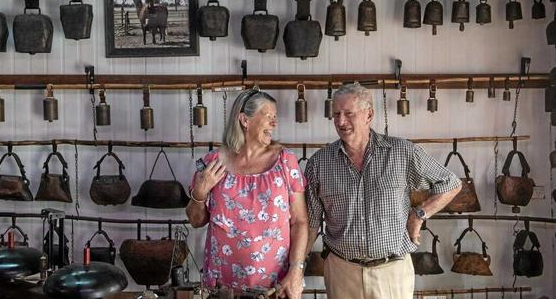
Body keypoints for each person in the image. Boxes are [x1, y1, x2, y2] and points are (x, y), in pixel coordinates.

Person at [304, 83, 462, 299]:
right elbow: (311, 224)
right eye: (336, 114)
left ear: (369, 114)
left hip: (392, 271)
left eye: (349, 114)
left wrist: (419, 215)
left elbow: (451, 183)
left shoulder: (401, 152)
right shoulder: (319, 163)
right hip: (342, 271)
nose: (341, 121)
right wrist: (294, 268)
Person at [187, 89, 308, 299]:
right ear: (245, 119)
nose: (274, 123)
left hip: (274, 286)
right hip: (223, 286)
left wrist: (296, 270)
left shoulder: (285, 161)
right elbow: (196, 221)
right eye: (268, 116)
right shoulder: (213, 163)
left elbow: (300, 222)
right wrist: (199, 192)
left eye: (275, 117)